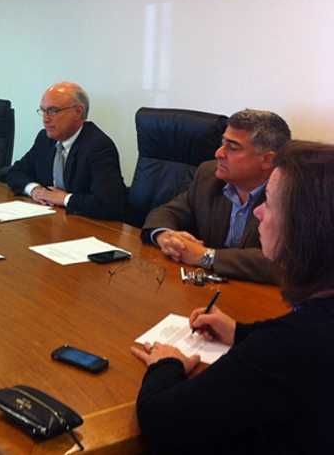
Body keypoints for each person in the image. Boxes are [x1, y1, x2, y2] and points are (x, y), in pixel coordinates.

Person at [131, 140, 334, 454]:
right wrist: (240, 333)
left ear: (306, 227)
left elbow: (163, 421)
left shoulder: (286, 348)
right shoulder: (312, 322)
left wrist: (166, 365)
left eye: (270, 201)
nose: (258, 211)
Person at [141, 109, 291, 284]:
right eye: (222, 143)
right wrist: (166, 236)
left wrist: (206, 257)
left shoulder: (291, 194)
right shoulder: (209, 175)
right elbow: (167, 212)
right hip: (209, 290)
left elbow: (283, 263)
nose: (219, 153)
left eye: (233, 147)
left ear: (268, 160)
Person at [7, 82, 127, 220]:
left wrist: (65, 199)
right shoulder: (45, 139)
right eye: (43, 111)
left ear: (78, 112)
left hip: (85, 227)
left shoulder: (98, 146)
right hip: (49, 221)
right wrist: (34, 190)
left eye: (53, 111)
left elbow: (110, 204)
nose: (45, 119)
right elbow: (15, 172)